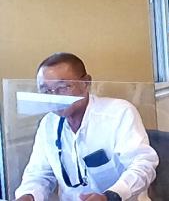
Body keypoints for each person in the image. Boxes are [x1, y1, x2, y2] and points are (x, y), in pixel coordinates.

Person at [14, 53, 159, 201]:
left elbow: (143, 164)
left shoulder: (118, 113)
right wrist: (28, 196)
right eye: (46, 91)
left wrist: (110, 196)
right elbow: (39, 174)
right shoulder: (48, 123)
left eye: (62, 87)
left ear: (86, 83)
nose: (54, 97)